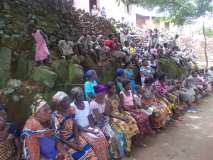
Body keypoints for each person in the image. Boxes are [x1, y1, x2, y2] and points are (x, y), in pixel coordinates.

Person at [52, 91, 98, 160]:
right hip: (66, 143)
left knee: (91, 154)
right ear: (59, 105)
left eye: (68, 99)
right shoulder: (56, 117)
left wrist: (78, 142)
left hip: (76, 137)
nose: (68, 102)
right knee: (81, 157)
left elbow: (75, 125)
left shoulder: (71, 109)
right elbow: (59, 137)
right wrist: (74, 146)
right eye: (64, 101)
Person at [70, 88, 109, 160]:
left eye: (82, 95)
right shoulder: (72, 107)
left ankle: (105, 158)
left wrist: (94, 127)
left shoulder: (86, 103)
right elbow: (75, 125)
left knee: (101, 136)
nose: (82, 97)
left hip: (90, 127)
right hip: (81, 130)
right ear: (74, 97)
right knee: (94, 142)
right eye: (79, 96)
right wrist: (89, 131)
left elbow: (89, 116)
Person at [90, 84, 125, 159]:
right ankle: (115, 156)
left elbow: (108, 113)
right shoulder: (93, 104)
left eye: (104, 92)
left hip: (107, 122)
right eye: (102, 92)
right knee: (113, 137)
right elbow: (99, 118)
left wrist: (106, 103)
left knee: (118, 135)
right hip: (100, 125)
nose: (104, 94)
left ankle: (118, 155)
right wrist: (106, 112)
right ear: (97, 93)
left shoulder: (104, 100)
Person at [106, 81, 139, 155]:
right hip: (113, 117)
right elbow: (110, 114)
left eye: (114, 88)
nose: (114, 90)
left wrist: (124, 114)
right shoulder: (106, 99)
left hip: (119, 114)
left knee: (132, 120)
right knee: (125, 127)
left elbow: (120, 107)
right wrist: (122, 118)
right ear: (108, 90)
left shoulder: (116, 96)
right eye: (112, 89)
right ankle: (127, 149)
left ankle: (134, 141)